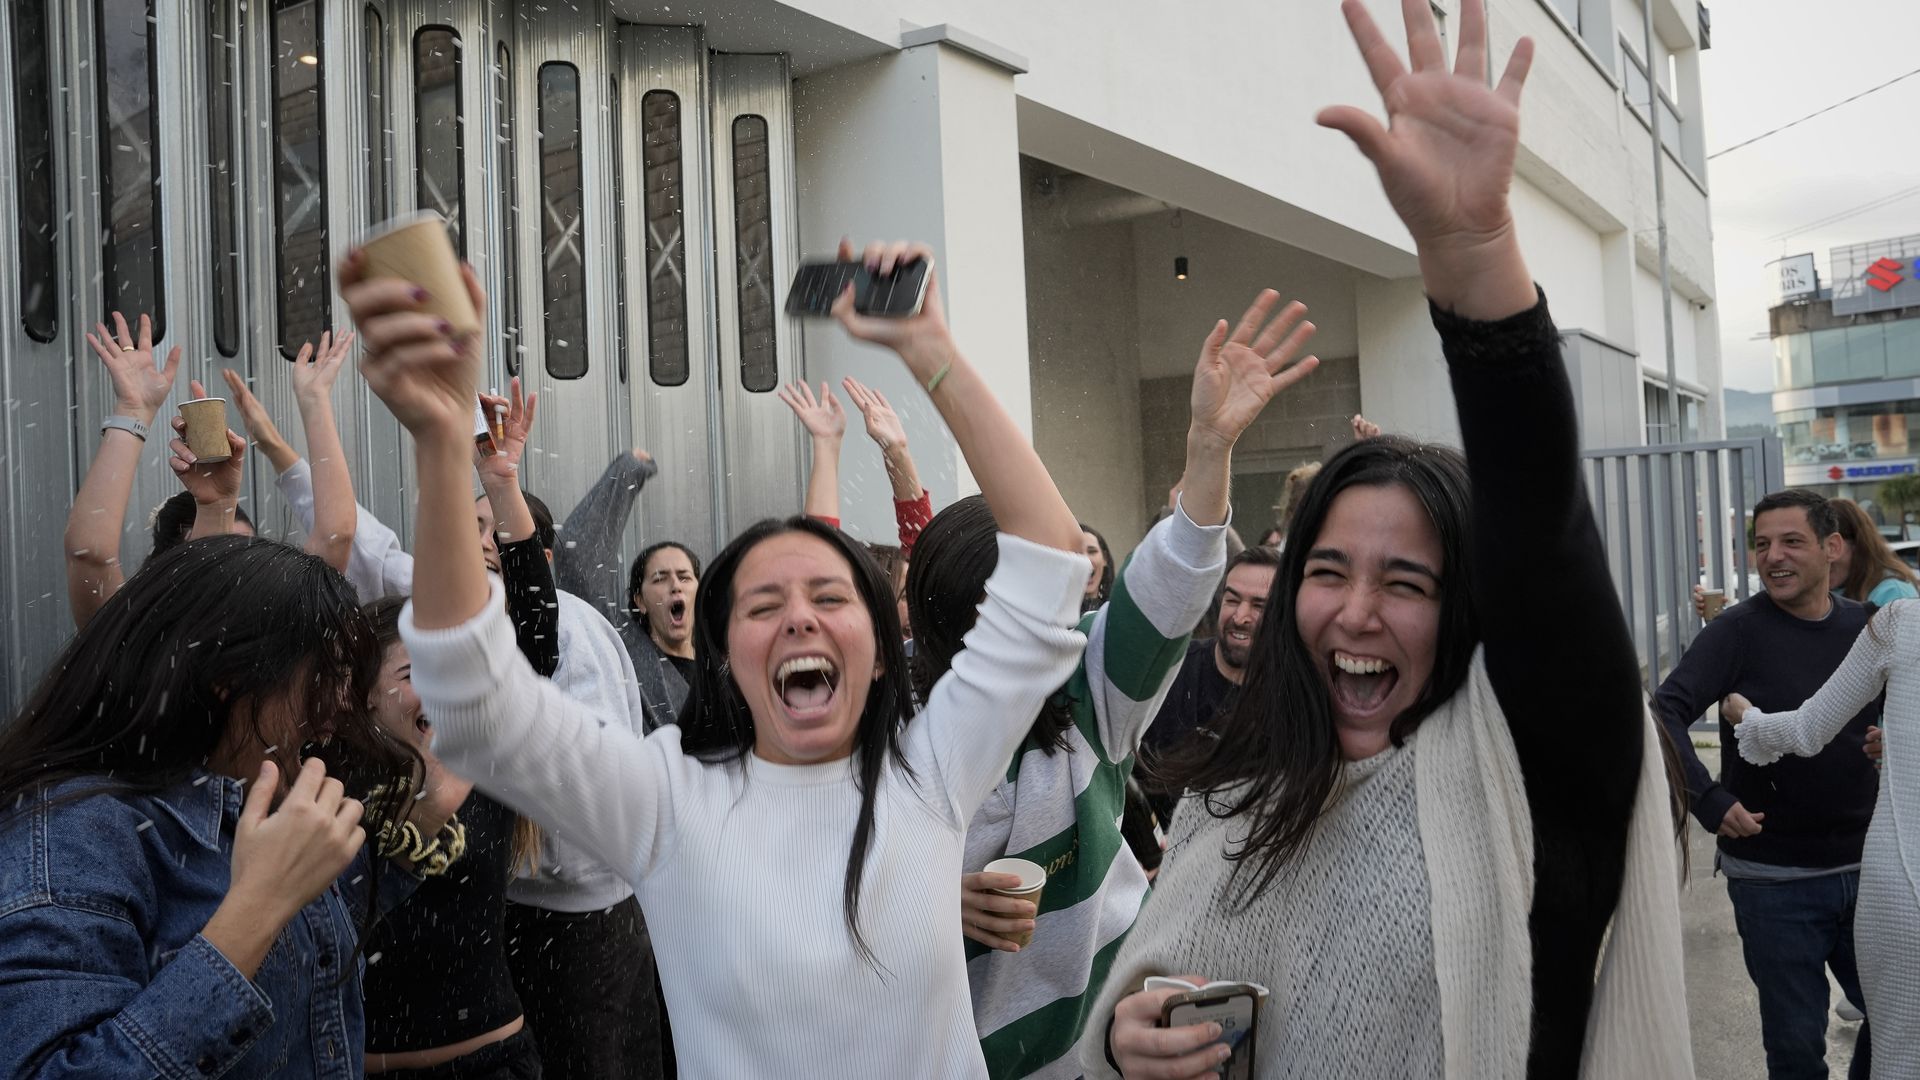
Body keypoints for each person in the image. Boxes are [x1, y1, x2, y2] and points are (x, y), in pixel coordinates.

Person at [1083, 2, 1690, 1075]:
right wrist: (1127, 1041)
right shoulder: (1239, 795)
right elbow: (1156, 989)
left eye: (1405, 581)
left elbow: (1543, 532)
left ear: (1466, 605)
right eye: (1327, 571)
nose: (1357, 612)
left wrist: (1476, 263)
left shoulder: (1538, 766)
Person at [344, 235, 1092, 1077]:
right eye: (764, 606)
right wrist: (443, 445)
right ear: (726, 657)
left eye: (831, 598)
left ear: (884, 653)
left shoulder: (934, 767)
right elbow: (474, 708)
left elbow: (1054, 563)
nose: (800, 619)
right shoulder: (668, 797)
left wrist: (931, 351)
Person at [941, 288, 1318, 1079]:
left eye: (1078, 580)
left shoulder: (1085, 699)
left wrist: (1208, 449)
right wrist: (932, 902)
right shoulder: (894, 741)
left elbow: (1170, 587)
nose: (1084, 589)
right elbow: (811, 894)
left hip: (1109, 1045)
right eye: (1051, 586)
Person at [0, 535, 464, 1078]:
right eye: (325, 674)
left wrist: (428, 808)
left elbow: (313, 956)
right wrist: (256, 910)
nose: (340, 705)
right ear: (230, 677)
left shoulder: (247, 792)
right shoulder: (73, 837)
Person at [1655, 489, 1878, 1079]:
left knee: (1898, 1021)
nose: (1772, 556)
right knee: (1797, 1049)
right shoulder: (1736, 633)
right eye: (1761, 545)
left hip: (1871, 868)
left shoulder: (1868, 628)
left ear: (1832, 548)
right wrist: (1708, 799)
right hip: (1774, 881)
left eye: (1791, 542)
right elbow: (1664, 712)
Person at [1721, 596, 1918, 1080]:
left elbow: (1808, 728)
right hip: (1898, 883)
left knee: (1899, 1055)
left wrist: (1748, 719)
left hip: (1903, 887)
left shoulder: (1900, 622)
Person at [360, 595, 545, 1079]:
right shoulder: (331, 782)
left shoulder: (490, 764)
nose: (436, 688)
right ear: (365, 693)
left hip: (492, 1065)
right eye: (412, 674)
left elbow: (534, 627)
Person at [1135, 544, 1282, 824]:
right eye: (1232, 600)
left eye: (1260, 605)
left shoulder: (1294, 694)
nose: (1240, 617)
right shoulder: (1172, 668)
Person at [1832, 498, 1920, 607]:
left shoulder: (1893, 592)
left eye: (1832, 546)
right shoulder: (1829, 591)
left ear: (1857, 543)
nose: (1825, 557)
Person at [1080, 523, 1116, 613]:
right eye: (1077, 552)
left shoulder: (1116, 612)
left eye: (1092, 551)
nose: (1086, 560)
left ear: (1105, 558)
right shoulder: (1055, 617)